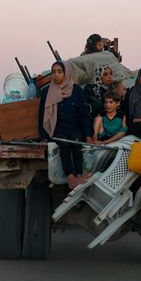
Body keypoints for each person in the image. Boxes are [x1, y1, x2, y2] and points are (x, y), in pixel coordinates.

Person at [39, 61, 93, 189]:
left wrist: (88, 134)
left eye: (59, 72)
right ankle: (70, 177)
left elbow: (83, 114)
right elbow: (42, 115)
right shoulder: (47, 92)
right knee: (63, 144)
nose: (56, 75)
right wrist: (43, 136)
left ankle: (79, 175)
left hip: (74, 129)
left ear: (66, 73)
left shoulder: (77, 90)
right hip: (57, 130)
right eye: (53, 72)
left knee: (76, 143)